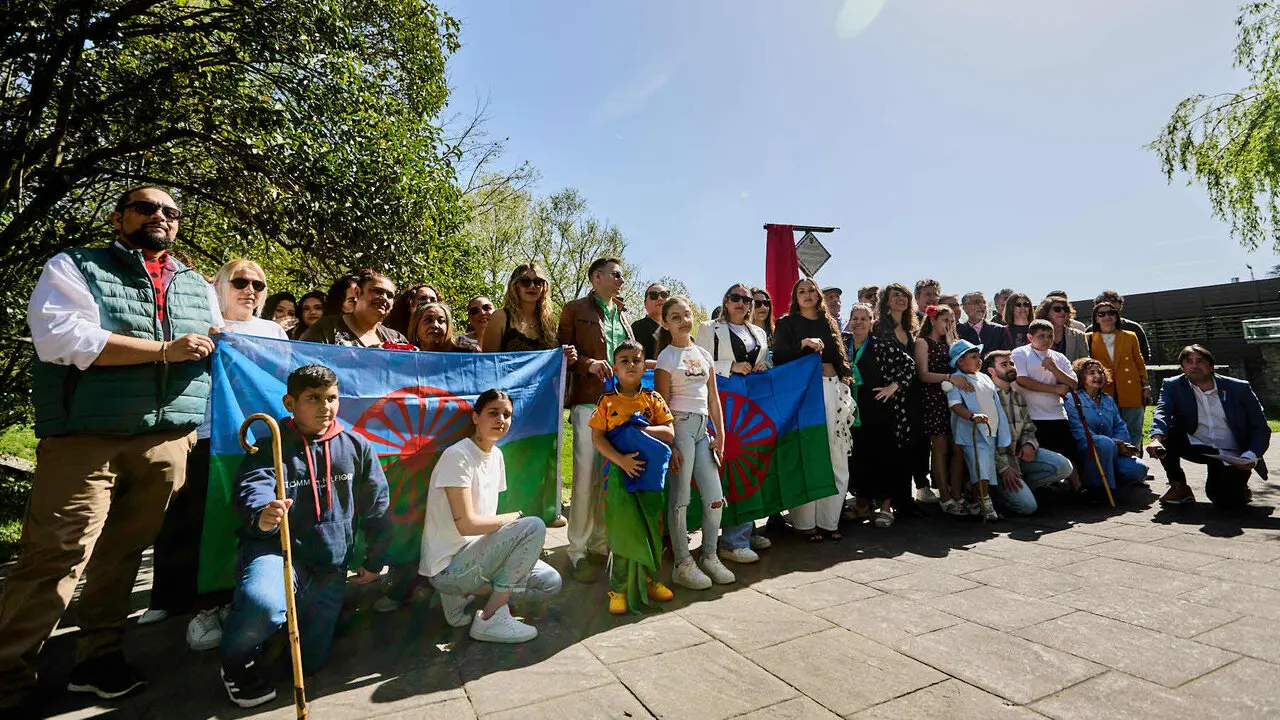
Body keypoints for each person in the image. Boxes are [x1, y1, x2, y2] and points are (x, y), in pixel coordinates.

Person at [1, 186, 222, 706]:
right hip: (87, 440)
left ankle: (98, 658)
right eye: (147, 207)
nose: (161, 216)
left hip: (167, 441)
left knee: (123, 554)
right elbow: (61, 339)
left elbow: (218, 343)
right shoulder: (74, 266)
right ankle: (7, 674)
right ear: (118, 216)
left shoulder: (195, 284)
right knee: (57, 553)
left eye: (171, 211)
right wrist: (163, 350)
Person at [218, 365, 388, 708]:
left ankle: (272, 628)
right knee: (263, 607)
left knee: (310, 663)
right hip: (278, 554)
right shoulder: (271, 445)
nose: (325, 407)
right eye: (314, 399)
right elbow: (253, 488)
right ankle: (236, 661)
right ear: (290, 402)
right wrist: (264, 514)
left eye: (332, 398)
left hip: (331, 566)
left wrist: (376, 559)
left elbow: (377, 506)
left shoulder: (356, 445)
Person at [144, 259, 287, 652]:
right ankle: (181, 602)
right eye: (240, 281)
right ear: (219, 286)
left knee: (239, 516)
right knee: (190, 518)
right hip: (204, 435)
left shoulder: (272, 330)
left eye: (259, 284)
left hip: (257, 438)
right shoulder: (198, 322)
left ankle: (229, 599)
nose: (250, 290)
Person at [419, 389, 561, 642]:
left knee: (550, 582)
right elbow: (467, 524)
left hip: (479, 556)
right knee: (533, 527)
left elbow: (487, 519)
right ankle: (490, 617)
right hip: (449, 566)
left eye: (507, 415)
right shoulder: (457, 456)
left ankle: (462, 596)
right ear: (476, 417)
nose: (501, 420)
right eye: (493, 413)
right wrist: (514, 518)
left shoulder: (496, 455)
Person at [558, 257, 634, 582]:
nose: (621, 280)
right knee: (585, 474)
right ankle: (576, 549)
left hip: (621, 404)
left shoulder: (624, 315)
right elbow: (560, 352)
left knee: (609, 477)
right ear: (596, 277)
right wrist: (587, 363)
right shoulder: (574, 309)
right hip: (589, 402)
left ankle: (600, 544)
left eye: (622, 275)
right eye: (616, 275)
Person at [589, 340, 676, 614]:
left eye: (636, 360)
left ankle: (650, 580)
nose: (630, 365)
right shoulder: (606, 401)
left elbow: (670, 433)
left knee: (651, 527)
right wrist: (622, 461)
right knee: (623, 529)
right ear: (614, 367)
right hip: (617, 475)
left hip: (650, 477)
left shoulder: (653, 399)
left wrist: (640, 431)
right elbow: (598, 438)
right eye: (624, 360)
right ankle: (619, 587)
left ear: (644, 366)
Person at [655, 296, 736, 588]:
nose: (683, 320)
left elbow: (713, 397)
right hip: (679, 426)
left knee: (714, 496)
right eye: (675, 316)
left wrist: (721, 436)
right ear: (665, 323)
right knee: (680, 499)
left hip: (704, 429)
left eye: (686, 314)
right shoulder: (666, 357)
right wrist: (671, 443)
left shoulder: (703, 353)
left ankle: (710, 555)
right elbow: (662, 402)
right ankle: (682, 563)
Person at [773, 278, 855, 541]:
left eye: (811, 291)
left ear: (818, 295)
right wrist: (803, 344)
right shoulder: (786, 323)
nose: (807, 295)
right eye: (801, 291)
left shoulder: (829, 322)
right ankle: (805, 523)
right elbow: (780, 356)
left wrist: (843, 385)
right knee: (807, 453)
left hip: (833, 391)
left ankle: (829, 522)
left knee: (836, 454)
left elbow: (841, 359)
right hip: (803, 394)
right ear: (795, 297)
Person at [695, 285, 772, 563]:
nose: (742, 303)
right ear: (726, 301)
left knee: (750, 465)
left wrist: (763, 366)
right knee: (730, 465)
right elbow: (699, 364)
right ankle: (730, 541)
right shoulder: (708, 328)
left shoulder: (759, 333)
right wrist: (730, 366)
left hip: (751, 406)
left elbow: (761, 360)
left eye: (747, 300)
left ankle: (747, 529)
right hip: (724, 402)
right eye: (736, 298)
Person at [1149, 345, 1271, 509]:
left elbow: (1260, 428)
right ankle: (1179, 487)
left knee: (1224, 501)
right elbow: (1162, 411)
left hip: (1233, 453)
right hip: (1198, 445)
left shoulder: (1239, 388)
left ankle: (1239, 486)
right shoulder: (1173, 385)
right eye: (1188, 362)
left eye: (1200, 361)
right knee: (1169, 434)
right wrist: (1156, 439)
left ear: (1211, 366)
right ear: (1182, 367)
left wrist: (1250, 455)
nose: (1194, 366)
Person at [846, 304, 915, 527]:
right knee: (858, 459)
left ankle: (886, 509)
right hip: (850, 411)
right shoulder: (842, 345)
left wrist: (892, 387)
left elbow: (908, 365)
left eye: (863, 318)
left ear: (872, 321)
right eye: (854, 318)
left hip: (879, 409)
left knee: (884, 459)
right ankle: (861, 505)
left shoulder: (881, 345)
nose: (858, 322)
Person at [983, 351, 1074, 516]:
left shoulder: (1017, 396)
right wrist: (1003, 468)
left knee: (1063, 467)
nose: (1011, 367)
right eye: (1004, 365)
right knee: (1027, 508)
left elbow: (1028, 427)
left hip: (1018, 456)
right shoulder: (986, 397)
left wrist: (1028, 444)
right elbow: (983, 440)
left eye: (1011, 363)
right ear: (991, 371)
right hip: (997, 465)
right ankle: (995, 494)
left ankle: (1022, 487)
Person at [875, 283, 932, 507]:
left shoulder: (910, 330)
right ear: (886, 301)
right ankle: (895, 501)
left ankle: (906, 499)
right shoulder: (879, 327)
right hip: (890, 396)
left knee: (913, 446)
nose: (900, 299)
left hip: (911, 395)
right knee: (894, 449)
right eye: (895, 295)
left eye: (904, 296)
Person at [1012, 320, 1083, 489]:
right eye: (1041, 336)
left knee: (1068, 453)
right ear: (1030, 337)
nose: (1046, 340)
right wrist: (1055, 389)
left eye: (1050, 336)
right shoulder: (1019, 353)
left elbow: (1073, 384)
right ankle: (1035, 489)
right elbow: (1021, 380)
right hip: (1030, 416)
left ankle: (1079, 489)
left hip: (1057, 414)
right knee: (1035, 456)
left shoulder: (1059, 357)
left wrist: (1055, 370)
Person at [915, 304, 970, 515]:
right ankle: (945, 498)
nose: (949, 325)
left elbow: (962, 368)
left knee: (958, 448)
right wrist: (949, 378)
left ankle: (956, 494)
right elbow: (923, 374)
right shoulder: (922, 342)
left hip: (955, 399)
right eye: (945, 320)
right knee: (940, 447)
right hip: (933, 398)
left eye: (952, 321)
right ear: (933, 320)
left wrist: (950, 345)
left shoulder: (954, 344)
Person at [945, 340, 1010, 522]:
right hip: (972, 434)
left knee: (985, 468)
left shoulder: (984, 378)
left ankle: (975, 500)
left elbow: (994, 402)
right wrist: (972, 416)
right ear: (960, 361)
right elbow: (955, 405)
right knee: (980, 468)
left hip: (989, 431)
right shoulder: (958, 380)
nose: (979, 360)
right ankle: (985, 504)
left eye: (978, 356)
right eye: (973, 357)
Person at [1065, 358, 1149, 496]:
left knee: (1139, 469)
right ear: (1081, 377)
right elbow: (1079, 430)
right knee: (1104, 444)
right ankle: (1097, 489)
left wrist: (1121, 443)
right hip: (1085, 450)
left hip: (1113, 450)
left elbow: (1120, 425)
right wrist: (1113, 443)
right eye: (1091, 373)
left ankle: (1109, 479)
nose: (1097, 376)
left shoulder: (1108, 400)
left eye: (1100, 372)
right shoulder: (1072, 399)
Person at [1086, 300, 1149, 451]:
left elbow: (1139, 362)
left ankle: (1134, 465)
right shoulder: (1088, 338)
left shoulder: (1130, 336)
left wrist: (1146, 387)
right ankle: (1113, 463)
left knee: (1134, 428)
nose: (1107, 317)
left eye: (1111, 313)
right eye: (1102, 314)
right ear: (1096, 318)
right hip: (1103, 390)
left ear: (1116, 316)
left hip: (1131, 389)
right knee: (1108, 429)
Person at [301, 269, 408, 347]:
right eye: (377, 291)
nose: (384, 298)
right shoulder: (326, 328)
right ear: (357, 292)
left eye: (390, 296)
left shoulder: (396, 339)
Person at [1094, 290, 1150, 361]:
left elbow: (1145, 354)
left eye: (1112, 311)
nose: (1108, 316)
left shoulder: (1133, 328)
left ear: (1120, 306)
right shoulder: (1090, 331)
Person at [1035, 295, 1089, 361]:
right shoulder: (1036, 335)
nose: (1063, 312)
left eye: (1066, 309)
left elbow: (1085, 362)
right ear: (1047, 313)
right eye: (1057, 309)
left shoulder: (1079, 336)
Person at [410, 302, 475, 353]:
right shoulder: (406, 355)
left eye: (441, 321)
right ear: (416, 327)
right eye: (428, 320)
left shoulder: (465, 355)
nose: (435, 325)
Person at [632, 282, 669, 360]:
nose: (660, 298)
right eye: (653, 295)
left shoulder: (676, 328)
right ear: (645, 304)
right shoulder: (637, 327)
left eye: (664, 295)